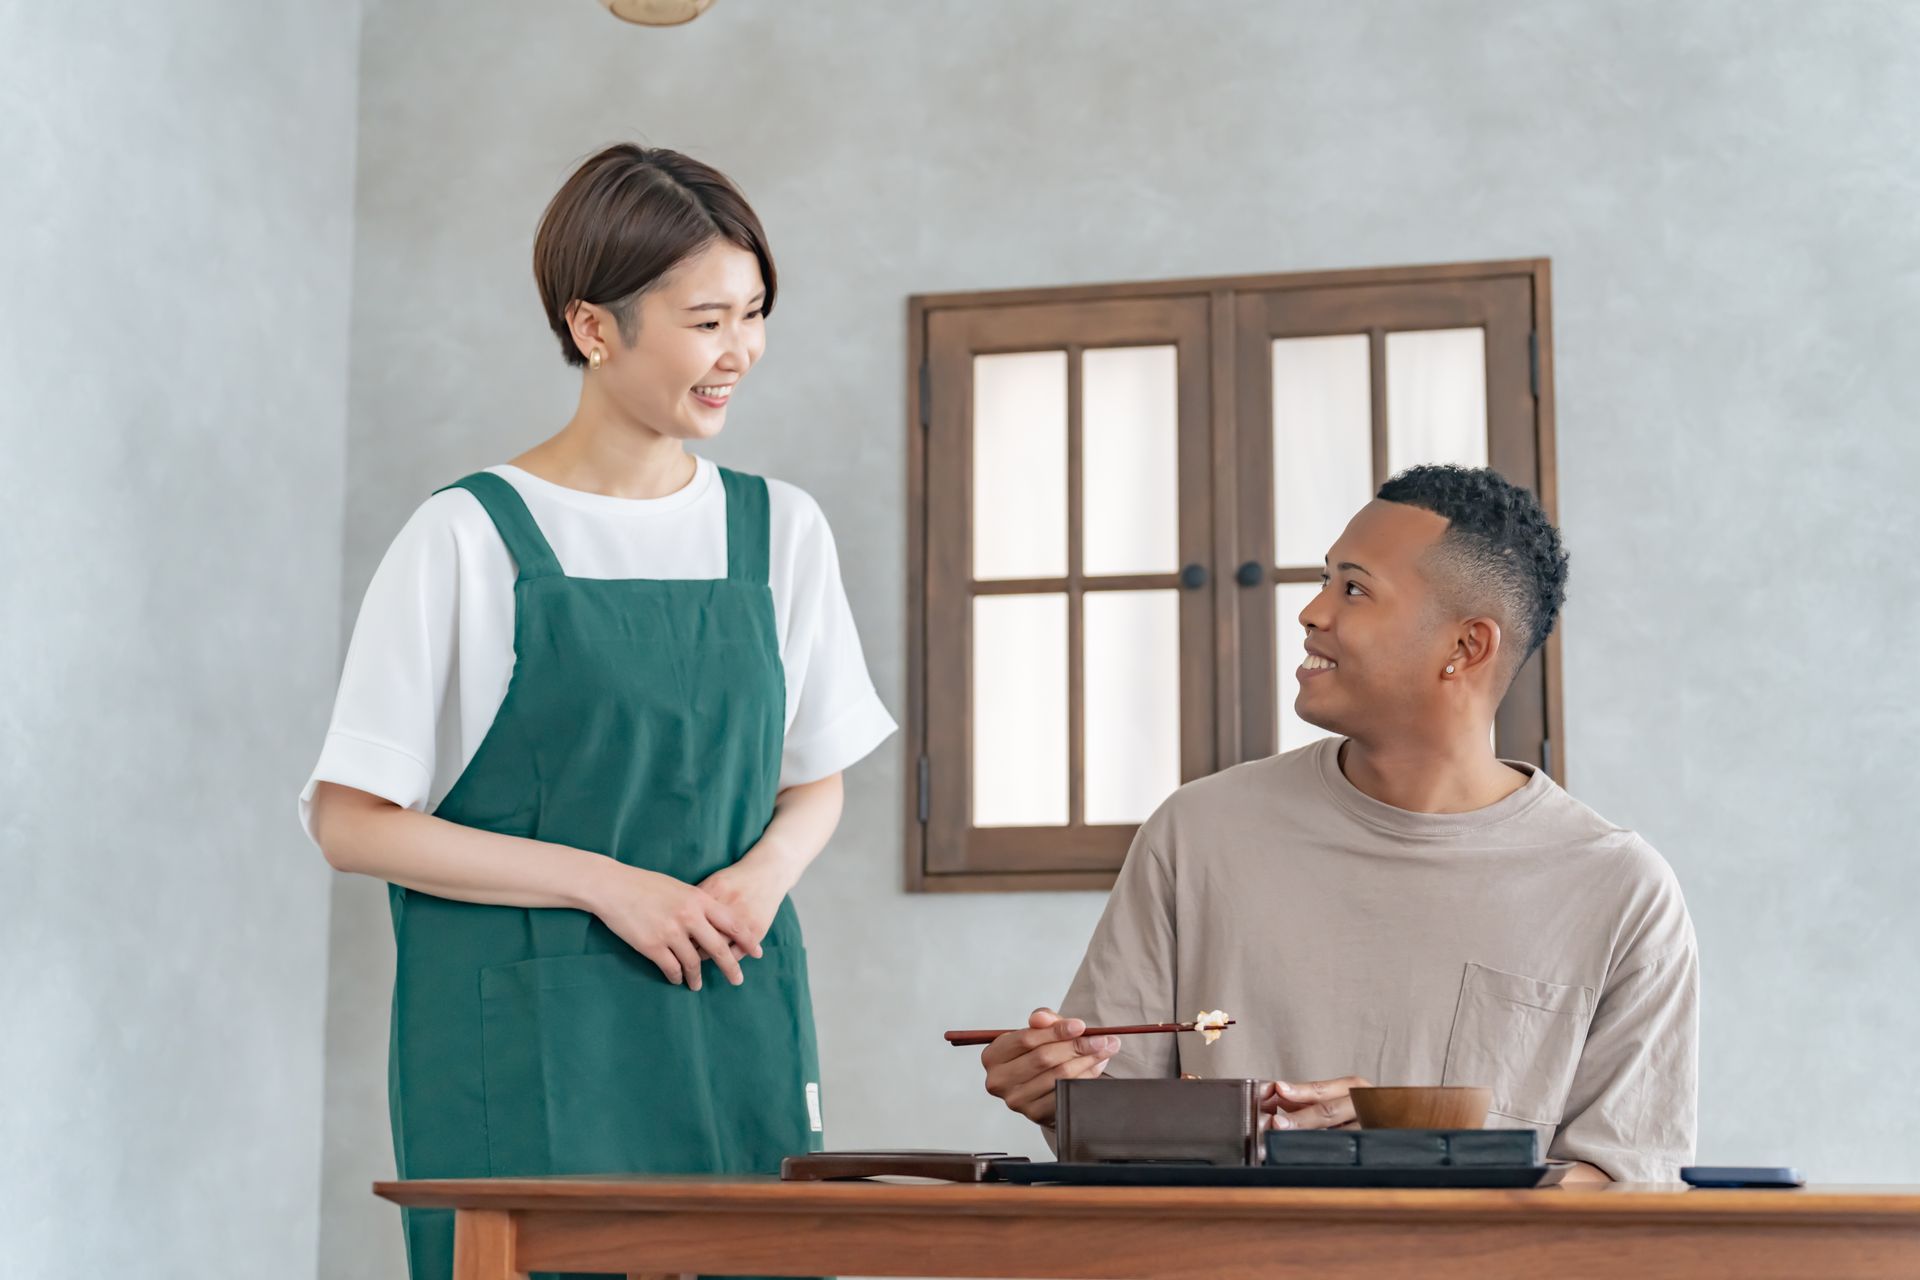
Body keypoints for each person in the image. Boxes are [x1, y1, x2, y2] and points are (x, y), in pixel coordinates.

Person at [302, 144, 894, 1278]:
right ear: (592, 326)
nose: (741, 353)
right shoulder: (467, 536)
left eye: (755, 314)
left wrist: (763, 874)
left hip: (724, 1000)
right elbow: (352, 821)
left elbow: (815, 774)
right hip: (521, 1038)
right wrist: (607, 883)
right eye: (707, 319)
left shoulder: (780, 530)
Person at [979, 466, 1696, 1184]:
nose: (1312, 612)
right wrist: (1056, 1097)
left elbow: (1628, 1186)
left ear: (1467, 647)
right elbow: (1115, 1132)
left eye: (1353, 588)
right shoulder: (1198, 832)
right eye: (1326, 580)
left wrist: (1414, 1141)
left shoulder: (1621, 891)